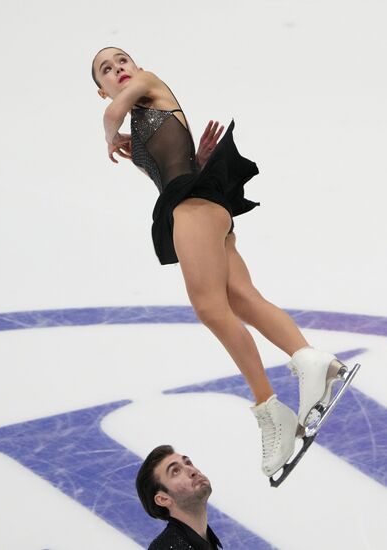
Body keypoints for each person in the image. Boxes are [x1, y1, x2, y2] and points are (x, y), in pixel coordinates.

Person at [91, 47, 357, 482]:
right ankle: (313, 361)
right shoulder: (139, 126)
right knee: (242, 299)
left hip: (192, 208)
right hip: (201, 202)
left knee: (211, 309)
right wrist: (197, 159)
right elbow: (171, 166)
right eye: (107, 70)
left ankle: (270, 410)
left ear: (136, 68)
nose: (119, 69)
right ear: (98, 90)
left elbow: (112, 117)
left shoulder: (147, 82)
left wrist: (109, 138)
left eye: (123, 61)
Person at [136, 445, 222, 549]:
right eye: (175, 471)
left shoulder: (210, 543)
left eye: (188, 463)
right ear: (163, 499)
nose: (193, 471)